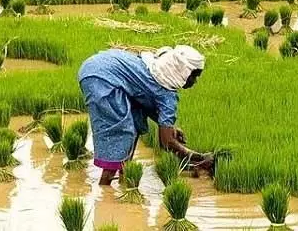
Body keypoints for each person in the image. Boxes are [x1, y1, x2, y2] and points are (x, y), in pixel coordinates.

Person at [78, 46, 215, 185]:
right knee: (123, 132)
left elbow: (145, 102)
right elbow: (166, 143)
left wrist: (169, 127)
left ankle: (126, 177)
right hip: (101, 78)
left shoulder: (155, 69)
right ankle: (105, 187)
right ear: (182, 71)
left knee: (134, 122)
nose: (194, 82)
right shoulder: (168, 95)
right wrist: (198, 157)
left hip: (94, 66)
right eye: (193, 76)